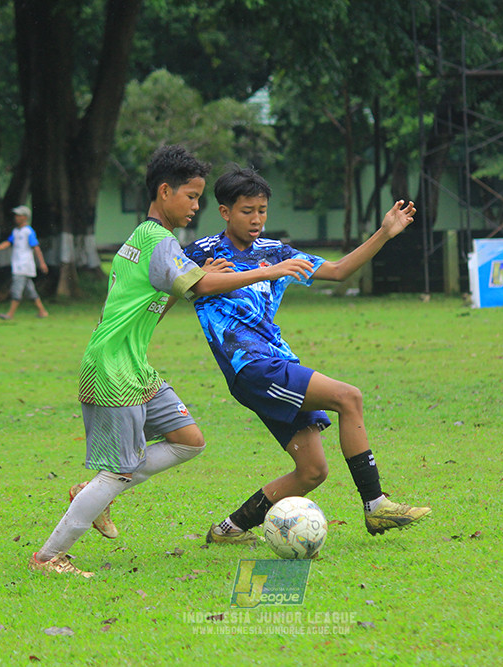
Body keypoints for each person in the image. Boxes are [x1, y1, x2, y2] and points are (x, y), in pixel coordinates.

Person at [27, 146, 314, 577]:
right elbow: (198, 287)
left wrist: (202, 280)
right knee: (118, 472)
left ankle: (93, 493)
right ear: (165, 192)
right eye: (192, 196)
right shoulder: (159, 241)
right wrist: (266, 271)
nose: (197, 207)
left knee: (189, 439)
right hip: (113, 369)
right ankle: (49, 556)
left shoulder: (147, 239)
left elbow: (171, 296)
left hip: (134, 365)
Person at [179, 165, 430, 546]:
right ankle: (376, 505)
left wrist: (384, 233)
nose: (257, 219)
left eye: (262, 209)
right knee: (349, 397)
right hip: (251, 367)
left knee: (312, 470)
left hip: (277, 360)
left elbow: (340, 270)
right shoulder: (201, 253)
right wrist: (270, 272)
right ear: (225, 212)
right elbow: (184, 286)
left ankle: (228, 530)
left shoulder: (275, 251)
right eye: (247, 210)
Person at [0, 205, 50, 320]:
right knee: (30, 290)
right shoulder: (16, 231)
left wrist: (42, 263)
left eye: (19, 215)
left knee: (17, 289)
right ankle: (42, 311)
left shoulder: (28, 232)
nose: (16, 217)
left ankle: (10, 314)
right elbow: (7, 243)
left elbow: (36, 247)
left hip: (24, 266)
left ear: (25, 217)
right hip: (18, 265)